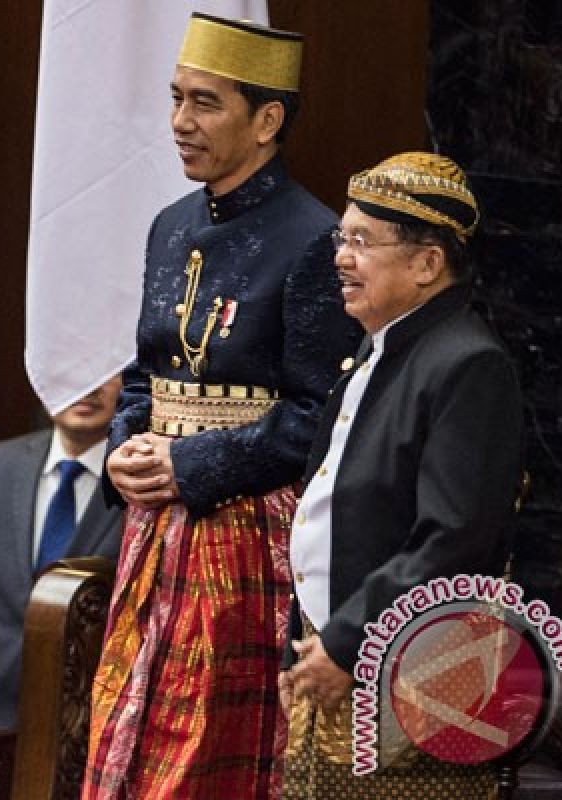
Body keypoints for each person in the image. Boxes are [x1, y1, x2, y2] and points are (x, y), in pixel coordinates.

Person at [83, 13, 361, 799]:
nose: (179, 123)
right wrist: (125, 446)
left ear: (267, 119)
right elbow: (144, 376)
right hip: (152, 533)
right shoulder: (170, 226)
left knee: (206, 761)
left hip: (245, 546)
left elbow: (316, 418)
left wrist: (188, 463)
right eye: (176, 99)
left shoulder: (316, 240)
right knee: (123, 749)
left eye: (204, 103)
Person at [278, 153, 524, 798]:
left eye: (361, 241)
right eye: (341, 236)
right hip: (341, 663)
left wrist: (347, 639)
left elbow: (452, 535)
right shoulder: (382, 347)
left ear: (426, 263)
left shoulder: (467, 364)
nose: (340, 256)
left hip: (411, 685)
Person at [0, 375, 125, 732]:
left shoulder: (142, 482)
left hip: (95, 720)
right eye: (72, 367)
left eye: (104, 372)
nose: (86, 386)